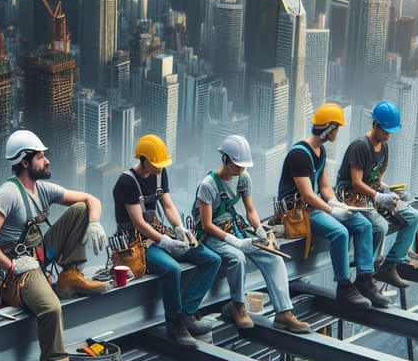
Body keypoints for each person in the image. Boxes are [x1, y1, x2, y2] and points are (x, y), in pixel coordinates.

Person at [0, 129, 109, 361]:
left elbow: (90, 199)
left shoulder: (43, 189)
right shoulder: (9, 194)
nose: (46, 161)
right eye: (39, 156)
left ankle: (70, 273)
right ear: (25, 162)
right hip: (21, 271)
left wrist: (94, 222)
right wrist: (12, 266)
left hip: (41, 255)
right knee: (50, 308)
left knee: (81, 209)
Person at [113, 134, 221, 346]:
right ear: (143, 159)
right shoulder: (127, 182)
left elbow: (168, 205)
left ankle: (187, 314)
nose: (159, 169)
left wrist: (178, 229)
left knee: (211, 260)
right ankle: (174, 324)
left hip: (159, 233)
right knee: (172, 269)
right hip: (137, 242)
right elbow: (139, 223)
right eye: (155, 165)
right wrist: (165, 242)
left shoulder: (159, 174)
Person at [277, 103, 389, 308]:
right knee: (340, 233)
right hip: (297, 210)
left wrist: (336, 203)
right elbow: (308, 195)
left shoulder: (321, 152)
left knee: (363, 225)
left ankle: (364, 279)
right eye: (336, 127)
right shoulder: (300, 155)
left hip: (314, 206)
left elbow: (325, 187)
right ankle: (344, 285)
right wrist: (331, 210)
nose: (337, 132)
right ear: (329, 128)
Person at [196, 136, 310, 332]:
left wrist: (259, 230)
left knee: (272, 256)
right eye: (237, 165)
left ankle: (283, 312)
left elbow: (250, 210)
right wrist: (235, 242)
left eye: (242, 166)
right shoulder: (208, 185)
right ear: (225, 159)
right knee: (237, 258)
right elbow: (206, 224)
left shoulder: (243, 178)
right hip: (213, 234)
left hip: (235, 226)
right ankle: (237, 306)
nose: (240, 170)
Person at [336, 100, 418, 289]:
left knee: (414, 217)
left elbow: (377, 177)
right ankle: (367, 271)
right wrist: (378, 196)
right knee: (379, 226)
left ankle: (390, 265)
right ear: (375, 124)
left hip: (374, 194)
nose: (388, 135)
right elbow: (357, 182)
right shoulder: (360, 146)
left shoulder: (384, 147)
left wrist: (387, 190)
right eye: (385, 130)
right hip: (353, 196)